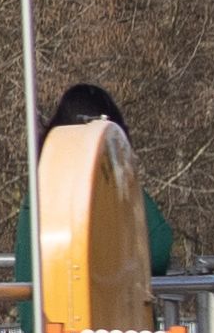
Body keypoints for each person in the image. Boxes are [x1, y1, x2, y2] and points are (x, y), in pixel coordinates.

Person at [16, 80, 186, 309]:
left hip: (47, 332)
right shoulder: (105, 191)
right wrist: (120, 170)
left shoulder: (41, 189)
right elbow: (157, 248)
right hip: (104, 331)